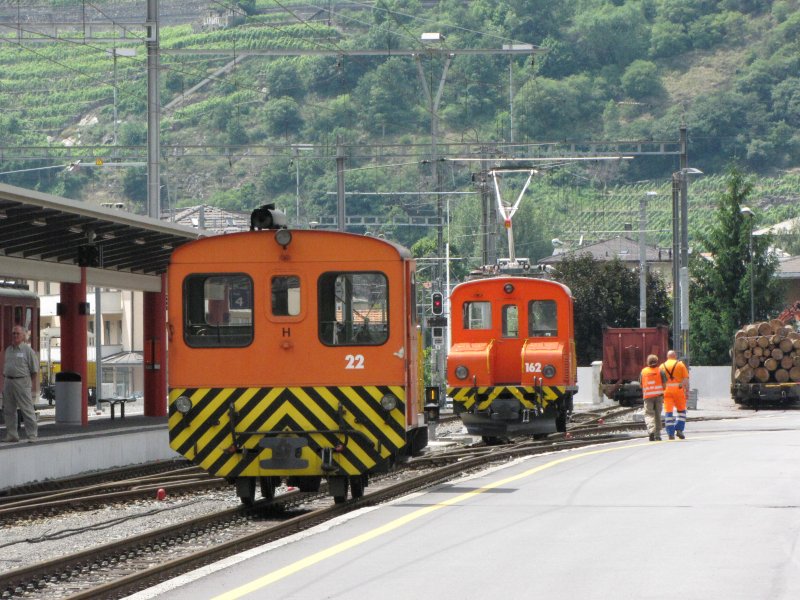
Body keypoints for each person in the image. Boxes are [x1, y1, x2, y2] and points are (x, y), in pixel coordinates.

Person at [2, 325, 39, 443]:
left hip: (22, 382)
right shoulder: (8, 350)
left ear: (23, 336)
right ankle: (12, 434)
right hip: (8, 381)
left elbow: (34, 370)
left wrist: (28, 384)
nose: (15, 336)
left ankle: (32, 434)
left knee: (27, 409)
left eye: (18, 333)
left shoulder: (28, 351)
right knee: (8, 410)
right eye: (13, 333)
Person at [661, 350, 690, 440]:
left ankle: (670, 433)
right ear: (675, 356)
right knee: (681, 411)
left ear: (667, 357)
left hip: (666, 391)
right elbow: (685, 379)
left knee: (668, 412)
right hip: (678, 390)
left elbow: (660, 380)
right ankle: (679, 430)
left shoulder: (662, 366)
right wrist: (686, 390)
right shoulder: (680, 365)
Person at [639, 354, 666, 441]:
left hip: (647, 397)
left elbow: (640, 385)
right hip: (658, 396)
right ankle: (657, 435)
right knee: (658, 415)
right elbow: (664, 385)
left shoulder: (643, 372)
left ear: (648, 362)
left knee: (649, 414)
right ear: (657, 361)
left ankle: (651, 431)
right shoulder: (660, 371)